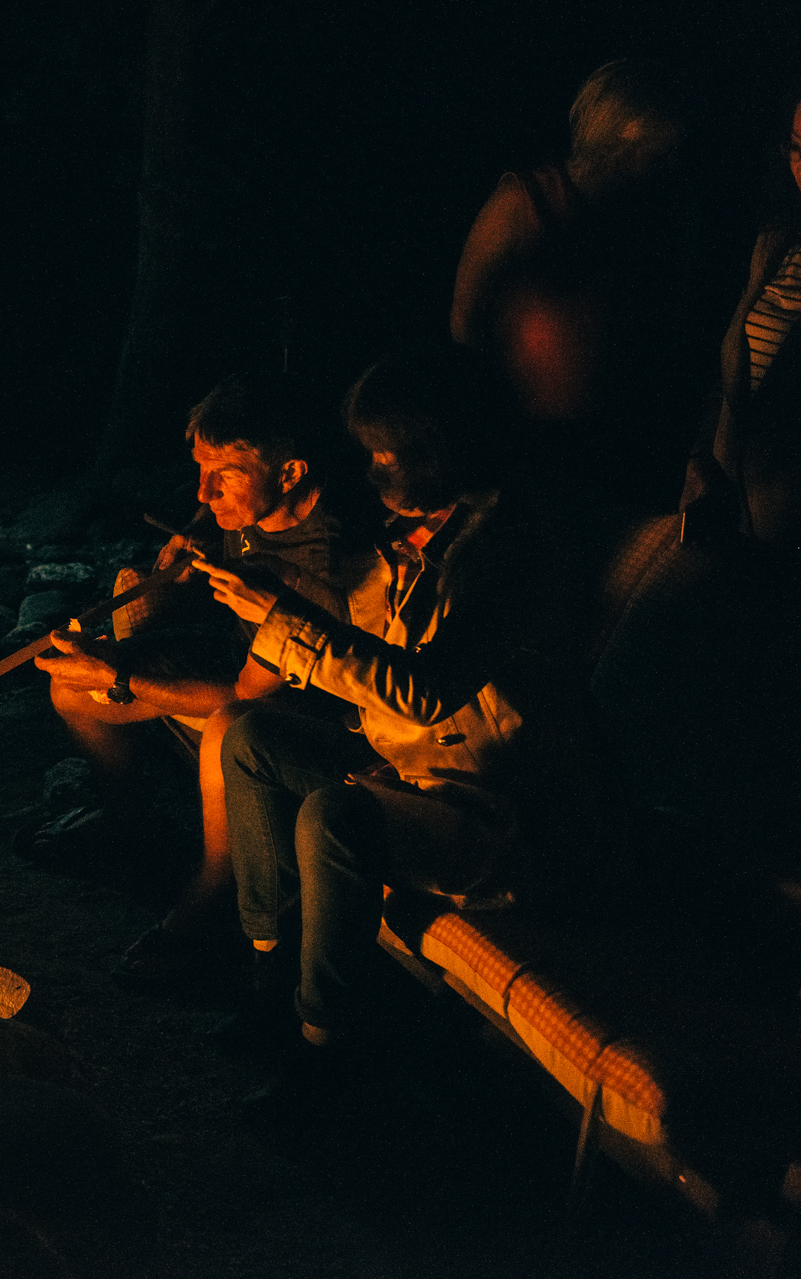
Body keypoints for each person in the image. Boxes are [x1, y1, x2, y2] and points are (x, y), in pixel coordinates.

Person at [203, 345, 602, 1103]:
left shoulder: (508, 549)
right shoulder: (423, 529)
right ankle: (271, 974)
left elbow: (423, 692)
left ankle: (327, 1051)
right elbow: (373, 653)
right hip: (418, 771)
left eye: (384, 453)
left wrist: (284, 619)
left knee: (336, 815)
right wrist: (282, 592)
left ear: (437, 448)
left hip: (500, 813)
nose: (372, 470)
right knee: (253, 737)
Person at [34, 372, 378, 982]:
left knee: (224, 731)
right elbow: (205, 524)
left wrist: (121, 675)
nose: (204, 490)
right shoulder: (244, 505)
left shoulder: (322, 566)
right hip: (227, 662)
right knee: (70, 686)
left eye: (224, 476)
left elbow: (243, 696)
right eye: (199, 469)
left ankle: (209, 899)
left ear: (292, 474)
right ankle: (134, 826)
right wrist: (174, 568)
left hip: (297, 713)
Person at [451, 58, 704, 513]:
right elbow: (465, 322)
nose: (672, 166)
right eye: (659, 154)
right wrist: (480, 432)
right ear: (623, 135)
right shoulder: (523, 202)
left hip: (614, 437)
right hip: (529, 440)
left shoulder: (646, 216)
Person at [682, 88, 801, 550]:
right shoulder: (782, 241)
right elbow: (730, 367)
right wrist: (699, 457)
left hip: (772, 530)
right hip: (726, 494)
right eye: (796, 147)